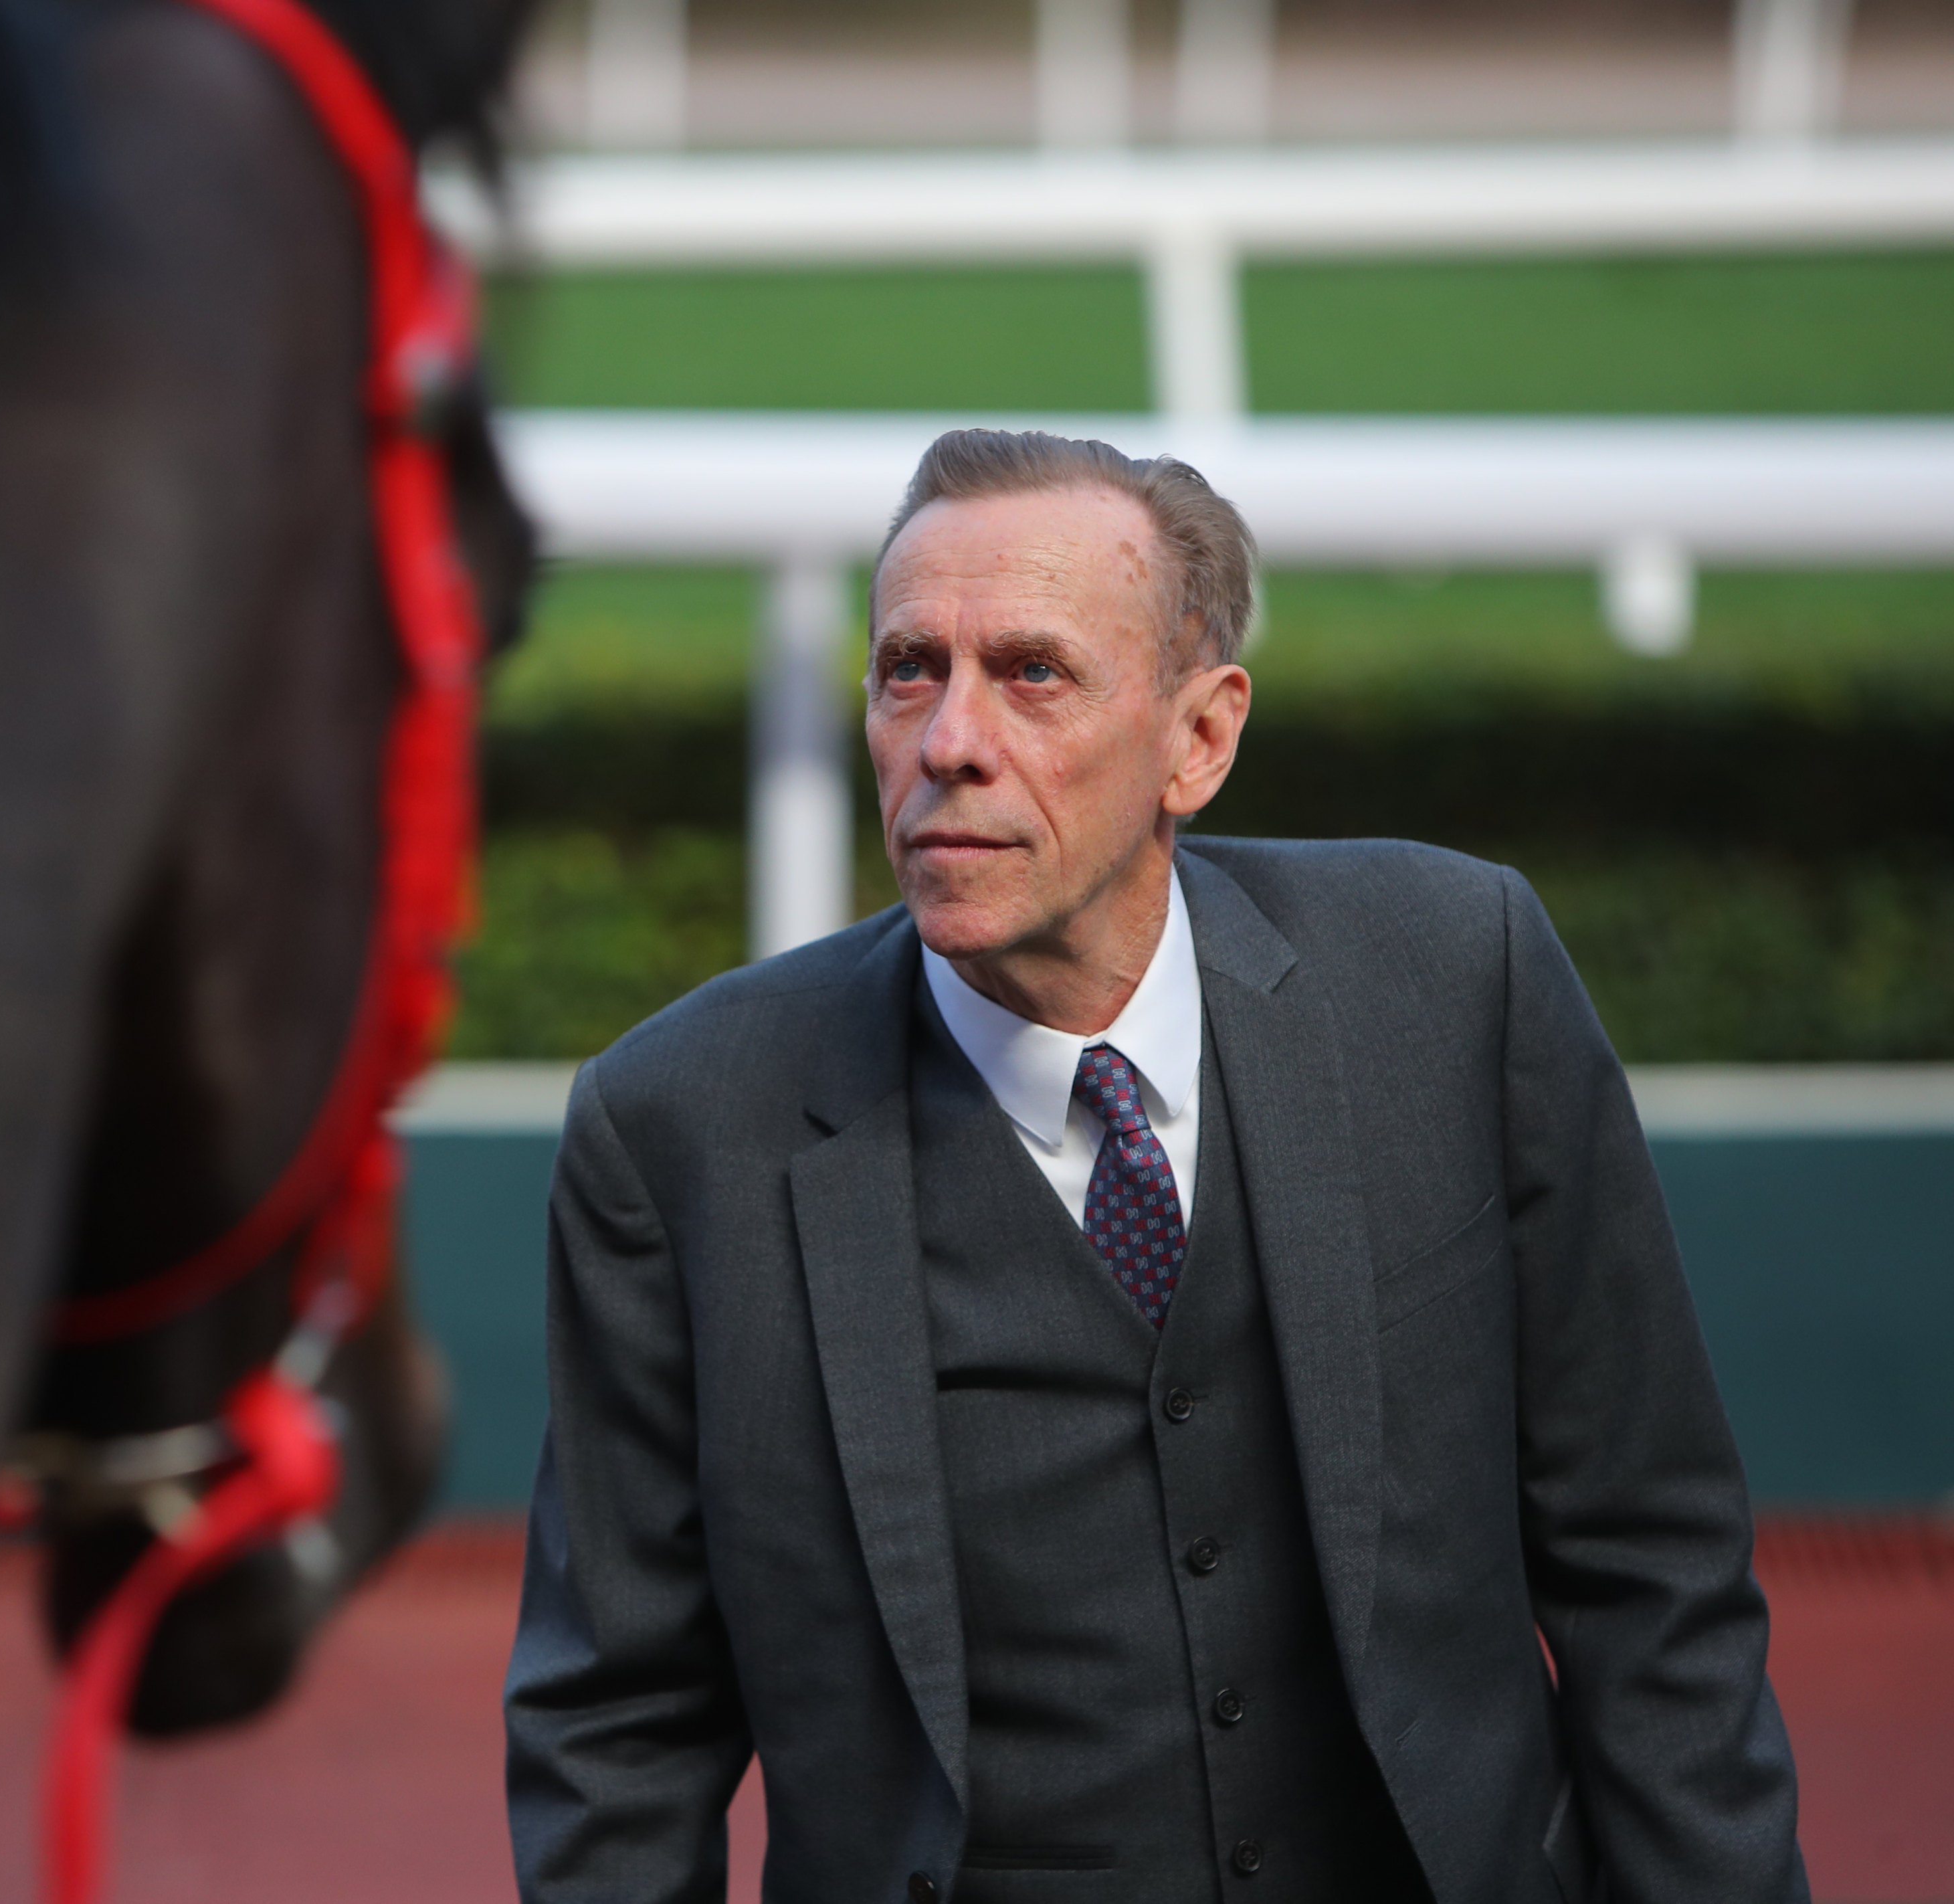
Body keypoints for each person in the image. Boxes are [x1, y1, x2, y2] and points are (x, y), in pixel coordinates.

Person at [502, 429, 1805, 1904]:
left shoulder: (1454, 981)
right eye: (908, 668)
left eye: (1031, 672)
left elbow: (1651, 1571)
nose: (948, 741)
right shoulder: (678, 1123)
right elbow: (617, 1720)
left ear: (1199, 737)